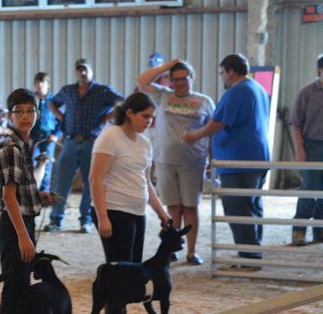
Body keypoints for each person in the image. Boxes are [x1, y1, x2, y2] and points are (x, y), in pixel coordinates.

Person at [184, 53, 269, 270]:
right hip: (255, 155)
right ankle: (251, 250)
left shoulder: (237, 91)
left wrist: (195, 135)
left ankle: (249, 255)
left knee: (237, 206)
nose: (222, 78)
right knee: (251, 205)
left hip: (238, 158)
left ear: (231, 72)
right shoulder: (256, 88)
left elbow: (218, 123)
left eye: (223, 73)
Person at [0, 89, 55, 314]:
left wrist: (38, 196)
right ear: (10, 115)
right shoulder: (11, 148)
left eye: (31, 111)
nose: (26, 116)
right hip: (13, 226)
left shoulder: (23, 146)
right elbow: (8, 197)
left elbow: (17, 192)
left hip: (19, 222)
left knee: (18, 291)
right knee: (14, 294)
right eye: (20, 111)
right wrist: (23, 235)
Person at [137, 58, 216, 264]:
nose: (180, 83)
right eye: (176, 79)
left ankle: (191, 251)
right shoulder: (163, 96)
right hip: (165, 160)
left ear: (192, 78)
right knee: (172, 208)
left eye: (184, 78)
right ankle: (171, 249)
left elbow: (213, 133)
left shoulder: (204, 101)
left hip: (194, 162)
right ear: (170, 81)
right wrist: (165, 67)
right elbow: (142, 81)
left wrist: (212, 161)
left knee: (190, 207)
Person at [89, 92, 171, 264]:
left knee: (135, 267)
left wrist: (162, 214)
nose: (149, 121)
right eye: (145, 116)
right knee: (120, 268)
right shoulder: (110, 137)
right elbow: (95, 179)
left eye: (152, 117)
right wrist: (103, 218)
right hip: (114, 209)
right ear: (130, 113)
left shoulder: (145, 143)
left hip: (138, 211)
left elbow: (147, 182)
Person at [47, 58, 123, 233]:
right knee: (60, 182)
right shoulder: (68, 91)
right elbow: (52, 102)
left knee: (92, 182)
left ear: (91, 71)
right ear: (76, 72)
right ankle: (56, 220)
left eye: (85, 70)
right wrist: (62, 118)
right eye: (79, 70)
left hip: (93, 142)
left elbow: (122, 102)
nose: (82, 73)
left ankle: (86, 220)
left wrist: (106, 117)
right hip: (71, 141)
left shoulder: (102, 90)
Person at [289, 54, 323, 246]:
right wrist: (300, 150)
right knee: (309, 189)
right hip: (312, 144)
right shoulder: (307, 93)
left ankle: (319, 230)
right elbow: (296, 123)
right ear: (320, 70)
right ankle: (299, 230)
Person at [30, 72, 61, 192]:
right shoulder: (31, 100)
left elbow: (61, 120)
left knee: (47, 166)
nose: (40, 85)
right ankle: (31, 192)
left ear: (48, 85)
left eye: (42, 82)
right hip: (34, 137)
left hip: (49, 138)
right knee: (31, 163)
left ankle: (44, 193)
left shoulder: (54, 101)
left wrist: (56, 135)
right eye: (37, 82)